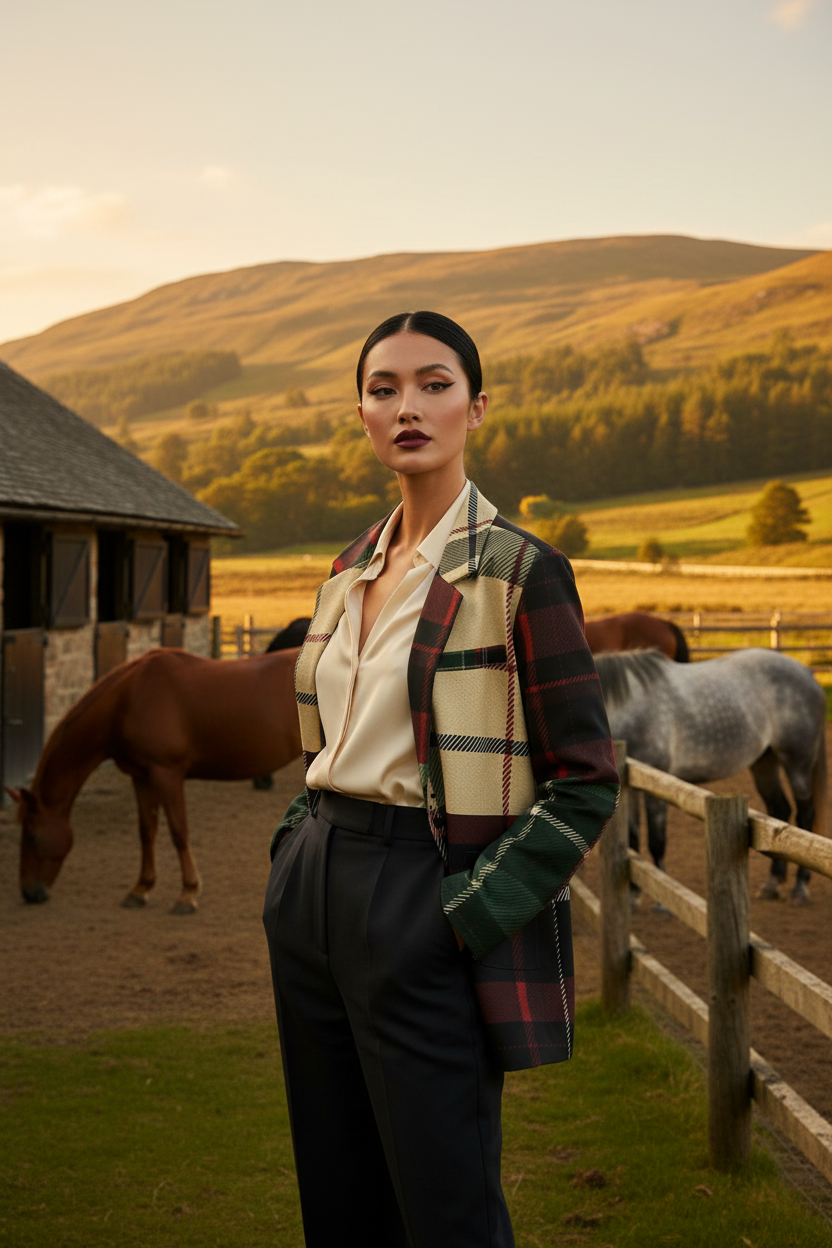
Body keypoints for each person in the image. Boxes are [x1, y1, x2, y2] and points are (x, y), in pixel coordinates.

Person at [262, 310, 619, 1248]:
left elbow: (586, 780)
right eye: (384, 389)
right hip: (314, 888)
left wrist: (466, 914)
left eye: (434, 384)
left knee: (446, 1205)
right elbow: (326, 741)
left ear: (476, 408)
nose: (407, 406)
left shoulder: (519, 572)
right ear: (363, 414)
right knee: (339, 1198)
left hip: (421, 892)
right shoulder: (347, 570)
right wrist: (294, 847)